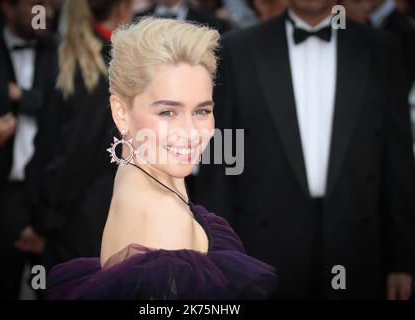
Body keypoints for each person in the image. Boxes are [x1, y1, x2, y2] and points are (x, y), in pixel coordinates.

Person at [196, 0, 415, 299]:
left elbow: (398, 161)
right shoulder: (239, 49)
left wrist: (402, 260)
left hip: (358, 246)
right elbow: (221, 158)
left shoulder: (381, 50)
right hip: (260, 245)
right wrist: (219, 254)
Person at [45, 17, 277, 300]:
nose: (190, 133)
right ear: (120, 112)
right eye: (168, 112)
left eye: (202, 111)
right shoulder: (165, 215)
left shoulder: (141, 170)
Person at [20, 0, 133, 271]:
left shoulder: (66, 55)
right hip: (81, 218)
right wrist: (45, 219)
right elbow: (75, 151)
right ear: (122, 8)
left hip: (81, 214)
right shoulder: (98, 62)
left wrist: (41, 218)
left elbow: (53, 144)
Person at [0, 0, 56, 299]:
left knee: (51, 287)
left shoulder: (61, 50)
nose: (46, 14)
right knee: (1, 286)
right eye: (36, 6)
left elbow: (73, 107)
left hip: (51, 195)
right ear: (8, 7)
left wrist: (24, 97)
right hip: (3, 194)